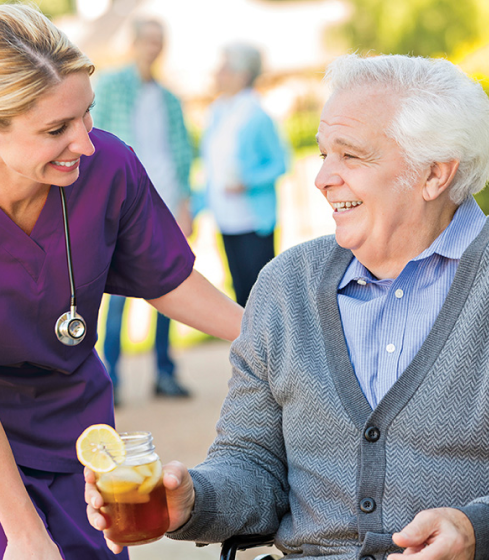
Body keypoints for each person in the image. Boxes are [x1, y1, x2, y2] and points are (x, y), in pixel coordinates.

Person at [87, 53, 489, 559]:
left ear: (434, 175)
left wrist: (474, 530)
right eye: (323, 155)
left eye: (351, 156)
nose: (322, 178)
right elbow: (252, 463)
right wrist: (193, 501)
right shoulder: (286, 285)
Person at [0, 5, 242, 560]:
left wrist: (272, 338)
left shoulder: (108, 169)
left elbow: (167, 280)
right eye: (56, 130)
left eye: (86, 115)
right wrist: (25, 533)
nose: (86, 143)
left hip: (70, 414)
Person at [93, 18, 194, 404]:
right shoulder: (112, 86)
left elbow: (182, 152)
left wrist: (184, 203)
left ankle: (165, 373)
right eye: (148, 40)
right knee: (116, 295)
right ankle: (111, 378)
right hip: (125, 201)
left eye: (159, 41)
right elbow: (97, 140)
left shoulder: (169, 98)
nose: (154, 47)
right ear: (134, 43)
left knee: (169, 285)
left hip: (166, 200)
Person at [202, 43, 286, 307]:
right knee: (239, 294)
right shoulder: (217, 113)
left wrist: (246, 182)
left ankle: (272, 349)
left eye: (225, 67)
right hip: (225, 220)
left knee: (261, 296)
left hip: (253, 222)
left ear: (242, 74)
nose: (218, 72)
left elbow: (281, 163)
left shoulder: (257, 116)